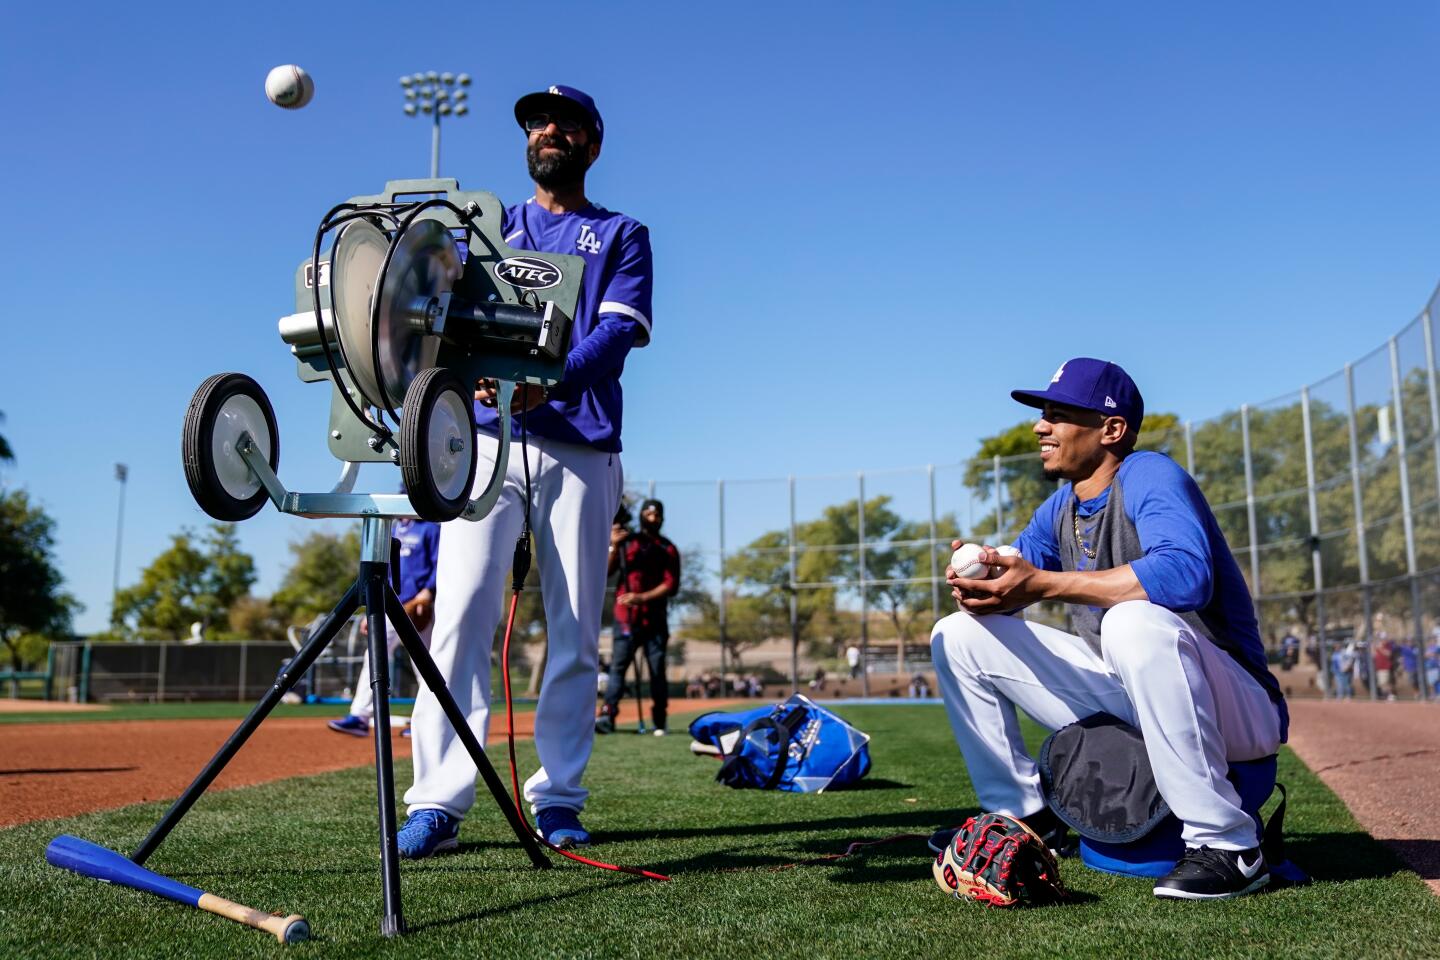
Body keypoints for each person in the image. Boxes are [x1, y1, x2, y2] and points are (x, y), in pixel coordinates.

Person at [399, 84, 654, 858]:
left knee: (575, 628)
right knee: (462, 616)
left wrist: (553, 380)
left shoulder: (622, 232)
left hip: (578, 440)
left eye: (566, 122)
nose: (548, 131)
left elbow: (617, 335)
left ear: (592, 144)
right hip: (485, 440)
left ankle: (560, 799)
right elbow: (434, 315)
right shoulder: (488, 226)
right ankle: (439, 801)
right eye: (538, 123)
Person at [928, 358, 1288, 901]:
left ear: (1111, 429)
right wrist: (983, 588)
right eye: (1042, 414)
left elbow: (1185, 574)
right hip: (1136, 690)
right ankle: (1025, 817)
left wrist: (1043, 584)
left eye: (1057, 414)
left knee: (1132, 620)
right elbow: (1017, 577)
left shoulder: (1149, 474)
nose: (1039, 427)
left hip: (1235, 704)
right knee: (957, 635)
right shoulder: (1060, 507)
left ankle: (1231, 844)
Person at [327, 511, 439, 738]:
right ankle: (360, 716)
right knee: (374, 654)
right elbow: (383, 568)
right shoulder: (394, 528)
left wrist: (429, 591)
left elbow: (439, 564)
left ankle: (430, 722)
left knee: (424, 664)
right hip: (392, 603)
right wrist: (373, 607)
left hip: (418, 606)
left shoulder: (430, 527)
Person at [596, 499, 680, 735]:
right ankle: (607, 715)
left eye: (657, 515)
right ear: (642, 515)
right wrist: (613, 546)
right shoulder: (627, 543)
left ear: (662, 518)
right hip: (626, 620)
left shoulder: (667, 548)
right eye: (649, 514)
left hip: (655, 621)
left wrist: (641, 598)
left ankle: (660, 720)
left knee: (657, 670)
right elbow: (607, 572)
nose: (653, 519)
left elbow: (671, 585)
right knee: (618, 669)